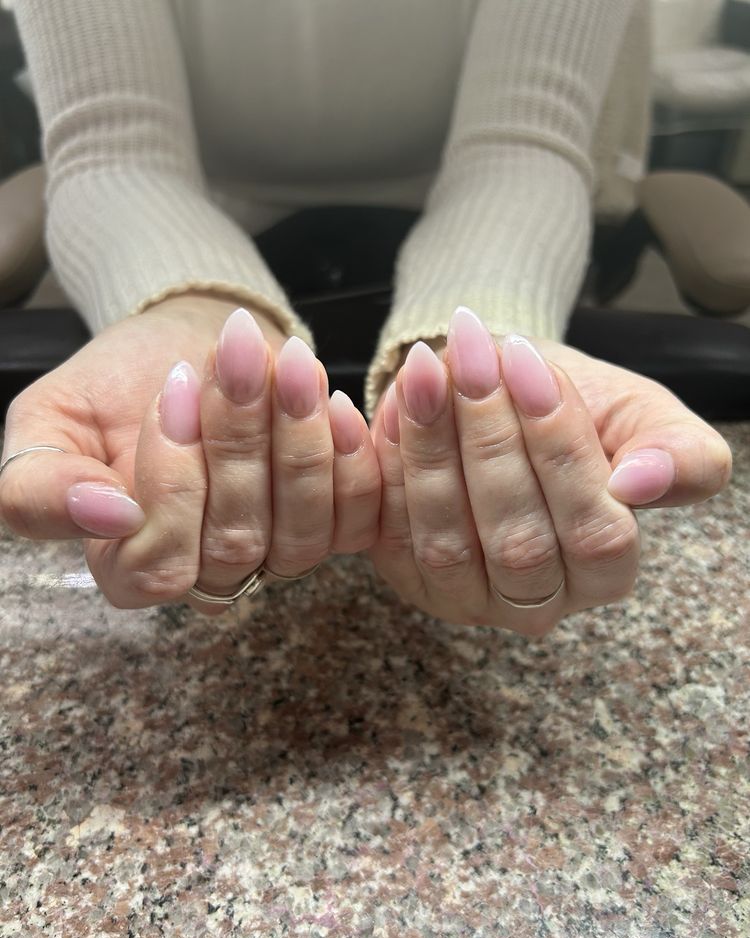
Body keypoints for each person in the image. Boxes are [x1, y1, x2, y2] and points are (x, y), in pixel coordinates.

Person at [0, 0, 733, 637]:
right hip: (185, 228)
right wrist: (187, 307)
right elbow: (114, 153)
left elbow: (523, 145)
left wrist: (476, 331)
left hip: (483, 238)